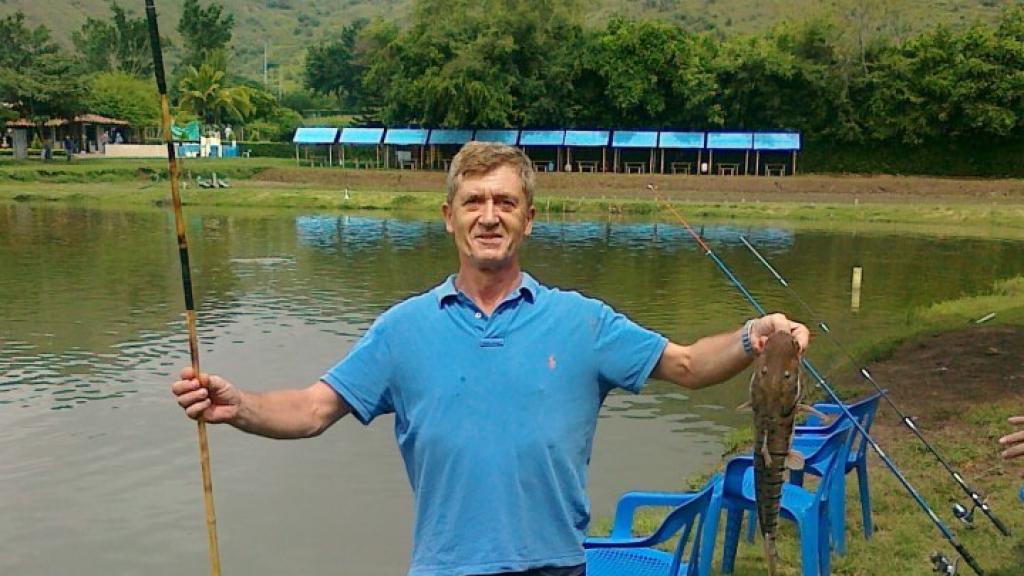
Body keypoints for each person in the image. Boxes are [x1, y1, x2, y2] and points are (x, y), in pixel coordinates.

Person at [171, 141, 810, 576]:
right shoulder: (403, 329)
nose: (489, 216)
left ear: (529, 219)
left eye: (505, 203)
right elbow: (314, 409)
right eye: (474, 202)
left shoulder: (582, 321)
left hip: (555, 565)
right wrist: (240, 406)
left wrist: (758, 335)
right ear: (448, 217)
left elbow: (690, 365)